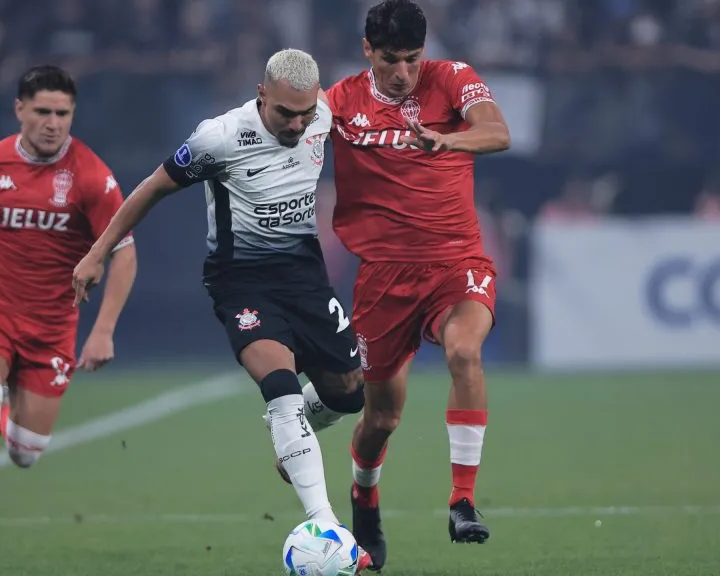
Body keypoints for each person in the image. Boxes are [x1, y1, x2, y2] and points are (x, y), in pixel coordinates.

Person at [71, 48, 372, 574]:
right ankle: (325, 525)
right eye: (286, 114)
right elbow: (152, 188)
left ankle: (291, 430)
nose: (298, 124)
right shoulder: (219, 138)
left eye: (306, 114)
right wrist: (98, 252)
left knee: (349, 394)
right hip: (242, 283)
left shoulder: (324, 114)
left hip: (305, 277)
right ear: (261, 95)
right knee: (278, 388)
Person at [317, 0, 511, 566]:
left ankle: (463, 500)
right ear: (367, 51)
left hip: (457, 262)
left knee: (465, 351)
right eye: (391, 60)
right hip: (383, 279)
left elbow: (497, 133)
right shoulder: (338, 103)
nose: (404, 72)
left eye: (412, 58)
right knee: (380, 417)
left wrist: (447, 141)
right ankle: (364, 494)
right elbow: (288, 134)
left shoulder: (452, 79)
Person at [0, 65, 138, 569]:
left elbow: (124, 252)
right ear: (19, 109)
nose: (53, 123)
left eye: (62, 113)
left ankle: (2, 411)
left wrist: (102, 331)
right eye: (42, 111)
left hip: (52, 327)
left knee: (25, 452)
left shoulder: (92, 176)